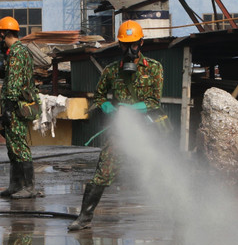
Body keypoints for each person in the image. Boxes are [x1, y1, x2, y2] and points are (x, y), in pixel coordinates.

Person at [68, 20, 166, 231]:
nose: (129, 50)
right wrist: (106, 107)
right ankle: (84, 217)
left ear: (141, 43)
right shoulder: (112, 71)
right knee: (102, 172)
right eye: (125, 45)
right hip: (121, 133)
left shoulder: (155, 69)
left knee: (161, 172)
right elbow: (99, 96)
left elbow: (154, 102)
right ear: (120, 45)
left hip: (146, 130)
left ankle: (178, 217)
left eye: (133, 45)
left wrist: (134, 108)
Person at [0, 16, 42, 199]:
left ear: (4, 34)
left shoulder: (16, 52)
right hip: (15, 105)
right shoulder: (20, 51)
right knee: (12, 146)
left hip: (16, 107)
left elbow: (14, 83)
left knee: (19, 146)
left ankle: (28, 187)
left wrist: (8, 107)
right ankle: (16, 185)